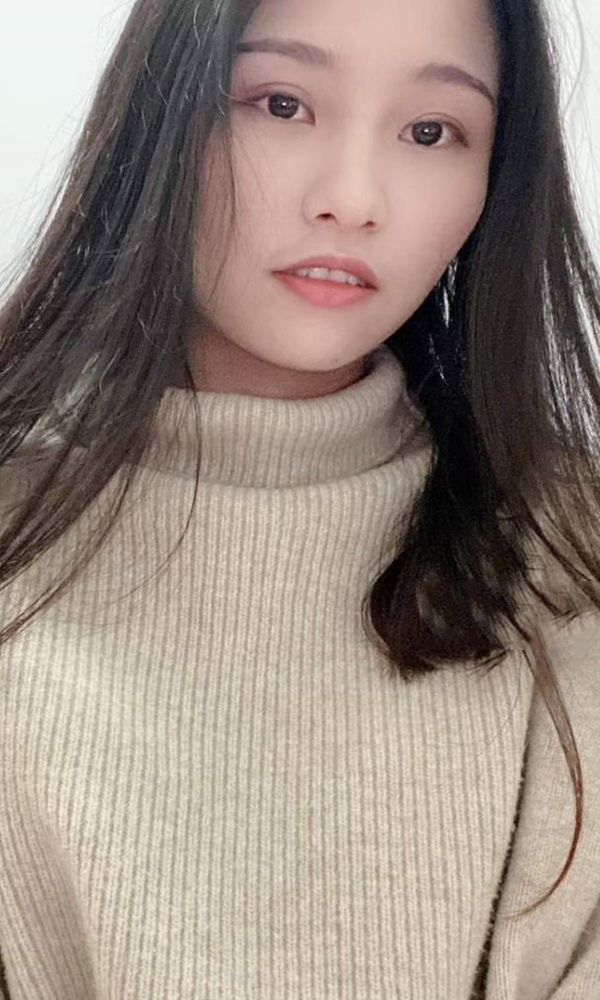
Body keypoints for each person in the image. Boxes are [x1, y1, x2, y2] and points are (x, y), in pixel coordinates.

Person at [0, 0, 599, 995]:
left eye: (430, 131)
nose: (353, 199)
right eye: (281, 103)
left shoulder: (570, 557)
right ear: (162, 114)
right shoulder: (19, 537)